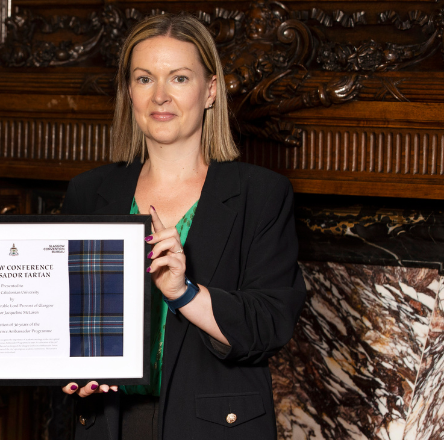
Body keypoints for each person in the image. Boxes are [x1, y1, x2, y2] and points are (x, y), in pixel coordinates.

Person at [60, 13, 306, 440]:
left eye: (178, 78)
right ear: (128, 93)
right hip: (105, 421)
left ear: (210, 90)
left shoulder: (261, 194)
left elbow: (269, 325)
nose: (159, 96)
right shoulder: (88, 192)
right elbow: (60, 314)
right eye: (143, 79)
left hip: (214, 427)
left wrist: (182, 292)